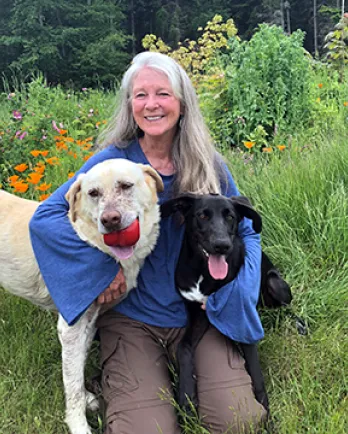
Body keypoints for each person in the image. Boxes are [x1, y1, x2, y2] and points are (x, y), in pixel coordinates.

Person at [29, 51, 267, 434]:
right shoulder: (112, 163)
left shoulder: (208, 165)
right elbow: (46, 219)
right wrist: (100, 273)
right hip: (133, 318)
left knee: (238, 422)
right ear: (129, 105)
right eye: (140, 95)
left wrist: (237, 290)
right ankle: (128, 380)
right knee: (144, 430)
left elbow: (247, 231)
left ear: (182, 102)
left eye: (163, 94)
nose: (151, 104)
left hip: (202, 316)